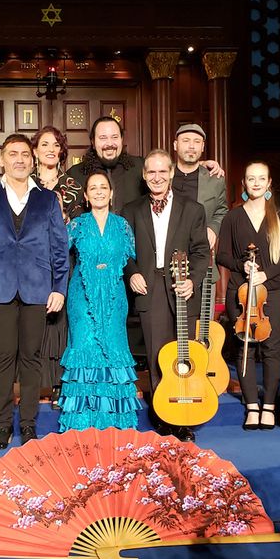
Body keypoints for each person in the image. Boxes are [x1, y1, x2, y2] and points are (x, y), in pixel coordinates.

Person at [0, 133, 69, 450]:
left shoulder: (48, 199)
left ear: (32, 159)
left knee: (31, 358)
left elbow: (60, 249)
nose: (20, 159)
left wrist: (59, 288)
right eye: (13, 154)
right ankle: (2, 426)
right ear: (2, 159)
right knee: (2, 358)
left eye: (25, 154)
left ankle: (27, 425)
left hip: (38, 289)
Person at [121, 149, 209, 442]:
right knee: (158, 354)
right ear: (144, 175)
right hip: (150, 288)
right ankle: (164, 415)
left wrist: (193, 281)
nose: (157, 177)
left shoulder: (192, 209)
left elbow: (200, 252)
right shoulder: (131, 210)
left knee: (183, 352)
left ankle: (185, 417)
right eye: (151, 172)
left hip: (182, 287)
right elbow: (125, 251)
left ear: (171, 173)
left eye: (162, 171)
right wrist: (132, 272)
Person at [58, 170, 141, 431]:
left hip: (115, 298)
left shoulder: (122, 225)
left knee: (113, 351)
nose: (98, 191)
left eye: (103, 187)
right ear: (85, 195)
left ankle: (115, 422)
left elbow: (131, 260)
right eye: (92, 187)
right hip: (81, 298)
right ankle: (82, 423)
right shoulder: (77, 225)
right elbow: (57, 254)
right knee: (85, 351)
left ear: (111, 193)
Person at [216, 161, 280, 430]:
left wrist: (265, 274)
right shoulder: (232, 217)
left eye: (262, 178)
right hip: (240, 290)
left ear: (269, 182)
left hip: (270, 290)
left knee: (271, 348)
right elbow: (221, 254)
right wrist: (243, 265)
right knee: (244, 347)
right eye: (251, 178)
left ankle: (269, 405)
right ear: (244, 183)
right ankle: (251, 406)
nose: (257, 183)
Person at [67, 116, 224, 215]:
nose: (110, 143)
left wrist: (199, 164)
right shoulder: (75, 174)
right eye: (103, 138)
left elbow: (163, 171)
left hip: (136, 253)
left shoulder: (138, 166)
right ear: (93, 142)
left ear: (122, 140)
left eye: (114, 137)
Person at [30, 126, 78, 409]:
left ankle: (60, 384)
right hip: (31, 263)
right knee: (33, 320)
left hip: (63, 260)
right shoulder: (25, 182)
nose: (50, 148)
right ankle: (34, 383)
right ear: (35, 150)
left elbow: (79, 225)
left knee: (60, 323)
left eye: (55, 144)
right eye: (44, 144)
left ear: (61, 151)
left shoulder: (73, 185)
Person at [172, 124, 228, 251]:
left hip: (199, 250)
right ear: (175, 145)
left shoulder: (215, 179)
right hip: (165, 250)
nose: (191, 146)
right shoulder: (162, 175)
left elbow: (221, 211)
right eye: (186, 141)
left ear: (202, 147)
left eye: (197, 142)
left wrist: (213, 228)